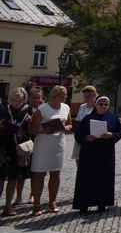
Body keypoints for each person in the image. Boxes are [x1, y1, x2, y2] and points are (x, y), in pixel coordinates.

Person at [73, 95, 121, 213]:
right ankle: (84, 204)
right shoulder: (87, 118)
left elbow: (119, 131)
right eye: (101, 104)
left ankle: (102, 203)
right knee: (87, 177)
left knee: (104, 177)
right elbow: (78, 134)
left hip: (106, 152)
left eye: (106, 104)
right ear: (96, 105)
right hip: (89, 152)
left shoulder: (113, 118)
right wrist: (86, 137)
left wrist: (111, 135)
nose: (103, 106)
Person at [29, 85, 72, 216]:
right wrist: (42, 131)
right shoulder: (42, 109)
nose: (66, 97)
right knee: (40, 174)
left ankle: (52, 202)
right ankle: (36, 204)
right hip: (43, 143)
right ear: (56, 95)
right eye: (64, 95)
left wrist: (67, 128)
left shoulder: (66, 108)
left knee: (55, 173)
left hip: (58, 143)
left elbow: (69, 123)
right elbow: (31, 128)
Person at [1, 88, 33, 217]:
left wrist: (30, 122)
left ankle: (8, 206)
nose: (17, 103)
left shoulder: (28, 110)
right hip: (4, 146)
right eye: (14, 100)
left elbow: (33, 127)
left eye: (19, 101)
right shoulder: (4, 110)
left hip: (19, 147)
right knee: (1, 177)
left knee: (14, 178)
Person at [71, 85, 98, 166]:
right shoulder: (82, 107)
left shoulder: (98, 107)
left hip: (93, 137)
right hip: (82, 136)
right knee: (79, 160)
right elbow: (78, 119)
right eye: (84, 97)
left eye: (88, 97)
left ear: (94, 95)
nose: (86, 99)